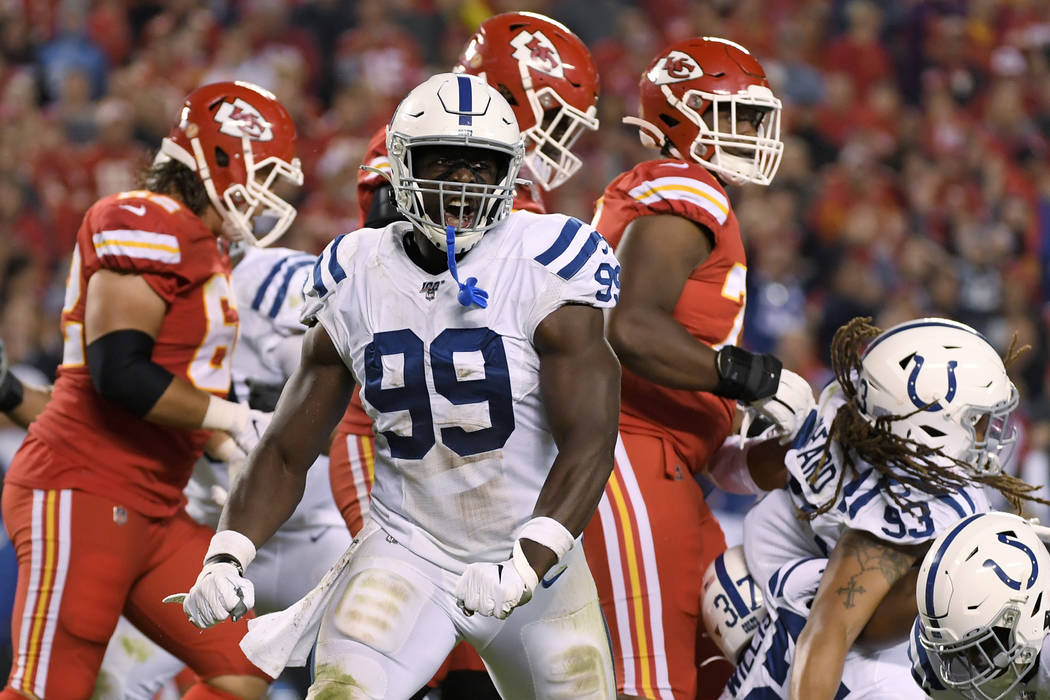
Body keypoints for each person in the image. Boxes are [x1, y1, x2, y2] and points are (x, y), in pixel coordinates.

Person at [175, 72, 621, 699]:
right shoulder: (356, 270)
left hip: (529, 554)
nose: (462, 182)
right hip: (406, 548)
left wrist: (528, 560)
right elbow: (285, 446)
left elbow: (592, 440)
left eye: (481, 165)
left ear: (510, 173)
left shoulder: (546, 257)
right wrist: (228, 551)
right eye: (444, 162)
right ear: (401, 166)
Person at [0, 80, 303, 700]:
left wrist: (221, 442)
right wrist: (229, 418)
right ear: (219, 158)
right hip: (82, 484)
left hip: (157, 504)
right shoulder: (141, 219)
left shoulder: (202, 245)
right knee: (49, 688)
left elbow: (169, 377)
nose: (269, 194)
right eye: (263, 172)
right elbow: (120, 372)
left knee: (242, 669)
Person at [331, 12, 600, 695]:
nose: (562, 133)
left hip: (483, 448)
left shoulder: (509, 181)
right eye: (556, 111)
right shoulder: (422, 150)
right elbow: (407, 281)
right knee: (414, 656)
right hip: (402, 440)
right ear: (515, 93)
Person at [581, 35, 813, 700]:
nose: (750, 133)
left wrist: (770, 452)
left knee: (728, 667)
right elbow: (630, 326)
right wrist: (757, 379)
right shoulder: (685, 190)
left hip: (669, 462)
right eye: (734, 115)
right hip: (626, 450)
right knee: (651, 682)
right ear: (682, 115)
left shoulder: (688, 193)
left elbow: (692, 404)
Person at [723, 316, 1046, 699]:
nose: (990, 433)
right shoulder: (922, 505)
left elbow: (729, 470)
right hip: (815, 627)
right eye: (975, 420)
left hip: (783, 589)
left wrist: (782, 433)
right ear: (928, 425)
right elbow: (830, 630)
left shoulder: (853, 413)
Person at [94, 241, 351, 699]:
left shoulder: (268, 278)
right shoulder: (133, 308)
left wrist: (270, 423)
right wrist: (223, 436)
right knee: (117, 682)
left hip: (309, 533)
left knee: (378, 655)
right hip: (203, 532)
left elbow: (346, 385)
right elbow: (124, 397)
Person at [910, 511, 1050, 699]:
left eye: (985, 644)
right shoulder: (932, 658)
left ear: (1033, 609)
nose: (971, 662)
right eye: (960, 652)